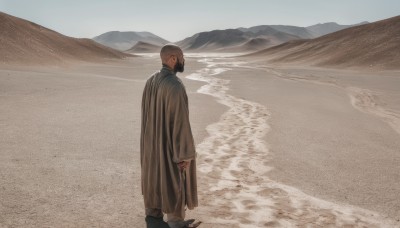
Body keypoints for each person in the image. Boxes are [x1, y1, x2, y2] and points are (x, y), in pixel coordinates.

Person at [140, 44, 201, 228]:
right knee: (174, 179)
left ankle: (154, 216)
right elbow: (180, 123)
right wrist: (185, 155)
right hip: (167, 146)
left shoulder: (151, 80)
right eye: (182, 57)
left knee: (154, 177)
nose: (184, 60)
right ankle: (176, 222)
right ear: (173, 59)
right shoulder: (174, 85)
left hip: (151, 145)